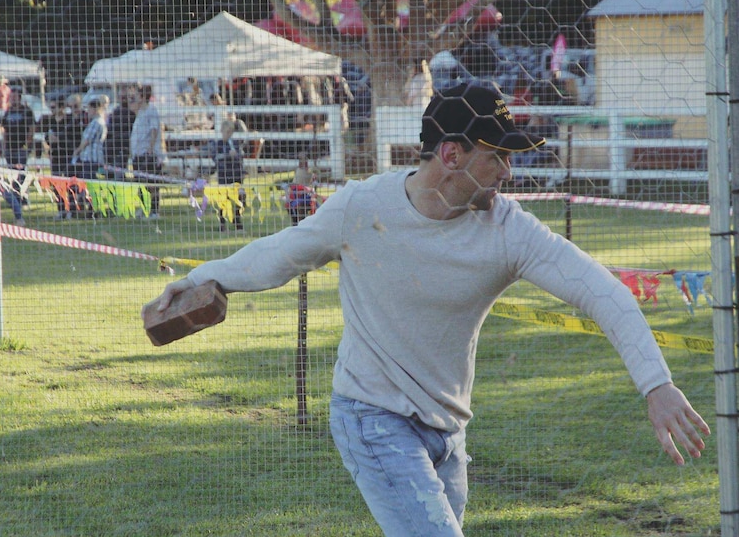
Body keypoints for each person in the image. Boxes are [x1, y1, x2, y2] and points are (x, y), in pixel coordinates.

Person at [154, 83, 710, 537]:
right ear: (452, 154)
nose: (507, 173)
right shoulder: (361, 205)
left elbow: (602, 291)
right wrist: (197, 282)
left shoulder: (509, 230)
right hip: (371, 417)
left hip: (448, 434)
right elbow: (275, 256)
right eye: (496, 157)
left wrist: (656, 385)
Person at [0, 90, 36, 226]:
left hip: (21, 147)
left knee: (20, 173)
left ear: (19, 98)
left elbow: (32, 128)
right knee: (12, 173)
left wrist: (27, 144)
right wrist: (4, 146)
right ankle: (16, 197)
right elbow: (4, 129)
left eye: (15, 97)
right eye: (11, 97)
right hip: (10, 148)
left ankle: (20, 196)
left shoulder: (26, 111)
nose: (13, 99)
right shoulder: (8, 112)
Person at [129, 85, 165, 218]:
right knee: (140, 182)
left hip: (148, 154)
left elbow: (154, 129)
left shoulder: (151, 110)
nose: (135, 98)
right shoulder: (141, 112)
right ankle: (144, 208)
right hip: (138, 154)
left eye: (137, 95)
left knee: (152, 184)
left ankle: (154, 211)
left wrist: (150, 148)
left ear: (143, 96)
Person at [205, 118, 245, 231]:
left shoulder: (235, 143)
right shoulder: (218, 144)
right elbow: (215, 158)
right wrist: (228, 155)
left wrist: (236, 155)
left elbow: (241, 156)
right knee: (223, 199)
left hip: (236, 173)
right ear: (222, 131)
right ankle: (222, 223)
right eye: (227, 132)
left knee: (238, 198)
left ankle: (237, 221)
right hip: (224, 174)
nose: (229, 134)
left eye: (231, 132)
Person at [106, 87, 136, 173]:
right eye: (121, 97)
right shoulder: (116, 111)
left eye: (125, 97)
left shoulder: (133, 111)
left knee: (119, 172)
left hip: (124, 146)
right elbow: (110, 129)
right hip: (112, 147)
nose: (123, 99)